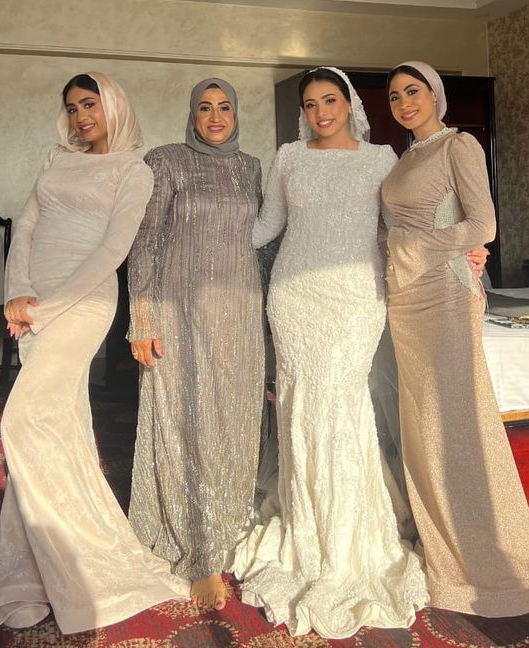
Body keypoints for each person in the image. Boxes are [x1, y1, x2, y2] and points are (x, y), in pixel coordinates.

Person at [0, 72, 189, 635]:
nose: (79, 116)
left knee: (23, 419)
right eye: (71, 108)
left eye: (89, 104)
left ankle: (82, 554)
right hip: (34, 301)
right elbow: (27, 228)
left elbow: (113, 250)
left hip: (84, 302)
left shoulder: (134, 170)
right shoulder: (55, 159)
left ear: (112, 105)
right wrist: (18, 294)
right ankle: (33, 570)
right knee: (58, 426)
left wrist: (48, 305)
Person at [230, 66, 428, 638]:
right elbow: (266, 227)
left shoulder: (382, 158)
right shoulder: (288, 156)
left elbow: (401, 227)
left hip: (355, 299)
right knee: (298, 408)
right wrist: (200, 245)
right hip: (293, 296)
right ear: (303, 110)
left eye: (330, 101)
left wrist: (458, 251)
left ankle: (348, 538)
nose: (321, 112)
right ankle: (305, 523)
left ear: (349, 104)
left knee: (342, 407)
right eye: (312, 103)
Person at [382, 60, 529, 617]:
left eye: (412, 92)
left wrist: (414, 246)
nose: (404, 103)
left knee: (457, 423)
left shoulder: (458, 145)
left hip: (444, 291)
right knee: (421, 426)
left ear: (435, 95)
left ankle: (492, 563)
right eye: (395, 96)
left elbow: (482, 226)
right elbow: (395, 228)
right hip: (404, 298)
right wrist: (393, 247)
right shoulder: (402, 160)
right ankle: (445, 547)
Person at [127, 77, 264, 612]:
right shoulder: (167, 161)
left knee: (233, 420)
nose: (214, 117)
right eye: (204, 108)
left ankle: (226, 521)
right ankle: (197, 547)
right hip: (179, 317)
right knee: (187, 420)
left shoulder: (251, 168)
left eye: (224, 107)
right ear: (192, 113)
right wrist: (143, 315)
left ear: (236, 112)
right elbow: (146, 240)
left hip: (241, 316)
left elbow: (266, 242)